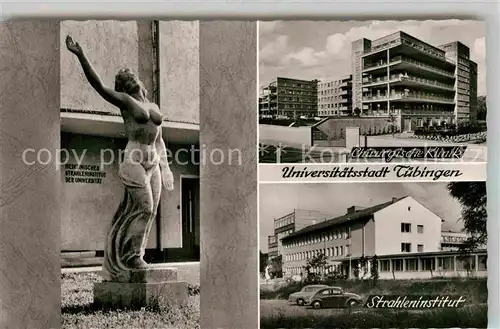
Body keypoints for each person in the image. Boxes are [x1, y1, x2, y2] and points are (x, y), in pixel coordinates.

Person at [66, 36, 174, 282]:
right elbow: (99, 86)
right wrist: (80, 54)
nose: (130, 78)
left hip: (153, 162)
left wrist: (166, 169)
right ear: (124, 87)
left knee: (151, 211)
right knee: (144, 207)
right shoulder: (126, 101)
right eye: (125, 79)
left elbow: (159, 140)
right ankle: (132, 256)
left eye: (131, 75)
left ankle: (137, 255)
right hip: (134, 160)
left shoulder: (154, 105)